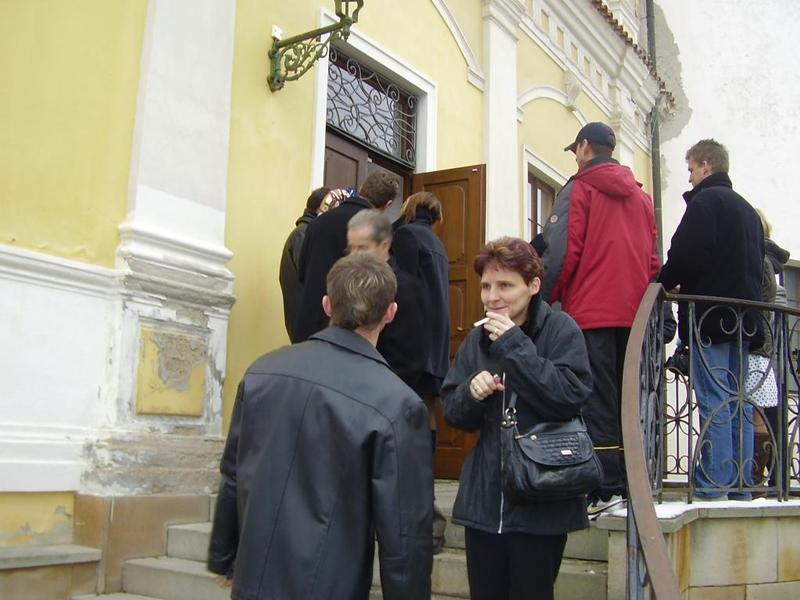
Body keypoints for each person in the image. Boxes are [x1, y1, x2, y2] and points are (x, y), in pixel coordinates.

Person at [208, 252, 433, 600]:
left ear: (327, 304)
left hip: (255, 578)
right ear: (390, 312)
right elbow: (404, 532)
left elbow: (232, 473)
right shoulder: (398, 404)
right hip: (329, 585)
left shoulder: (262, 371)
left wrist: (224, 557)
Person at [442, 237, 592, 600]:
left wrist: (514, 345)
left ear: (533, 285)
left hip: (540, 496)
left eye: (505, 286)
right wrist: (471, 393)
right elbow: (453, 413)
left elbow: (568, 398)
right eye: (486, 286)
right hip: (485, 499)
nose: (492, 297)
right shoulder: (477, 339)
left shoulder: (561, 329)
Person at [540, 121, 660, 508]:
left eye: (575, 150)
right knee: (627, 398)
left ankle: (604, 485)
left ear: (585, 147)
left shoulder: (579, 188)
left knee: (595, 398)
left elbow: (562, 252)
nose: (575, 157)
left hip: (590, 312)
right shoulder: (642, 199)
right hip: (634, 316)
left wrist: (541, 301)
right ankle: (631, 479)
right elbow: (652, 261)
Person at [657, 139, 764, 500]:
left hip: (712, 320)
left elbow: (686, 254)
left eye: (690, 169)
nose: (689, 177)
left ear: (705, 165)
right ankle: (740, 486)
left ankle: (715, 483)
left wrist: (662, 283)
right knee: (738, 401)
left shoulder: (706, 202)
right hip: (744, 321)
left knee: (716, 399)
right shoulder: (747, 210)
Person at [392, 191, 451, 550]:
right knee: (426, 415)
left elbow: (401, 289)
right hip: (435, 343)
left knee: (404, 424)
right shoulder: (438, 244)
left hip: (410, 344)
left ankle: (419, 515)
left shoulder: (406, 236)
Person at [294, 172, 399, 342]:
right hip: (348, 334)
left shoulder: (318, 222)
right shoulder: (377, 232)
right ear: (388, 204)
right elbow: (382, 285)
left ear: (361, 188)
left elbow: (301, 272)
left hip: (308, 327)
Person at [346, 209, 430, 392]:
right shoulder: (348, 285)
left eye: (362, 248)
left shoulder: (406, 290)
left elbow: (409, 361)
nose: (354, 256)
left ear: (384, 246)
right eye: (351, 248)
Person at [278, 187, 330, 341]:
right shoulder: (304, 235)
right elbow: (312, 276)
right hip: (308, 326)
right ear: (322, 208)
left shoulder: (305, 233)